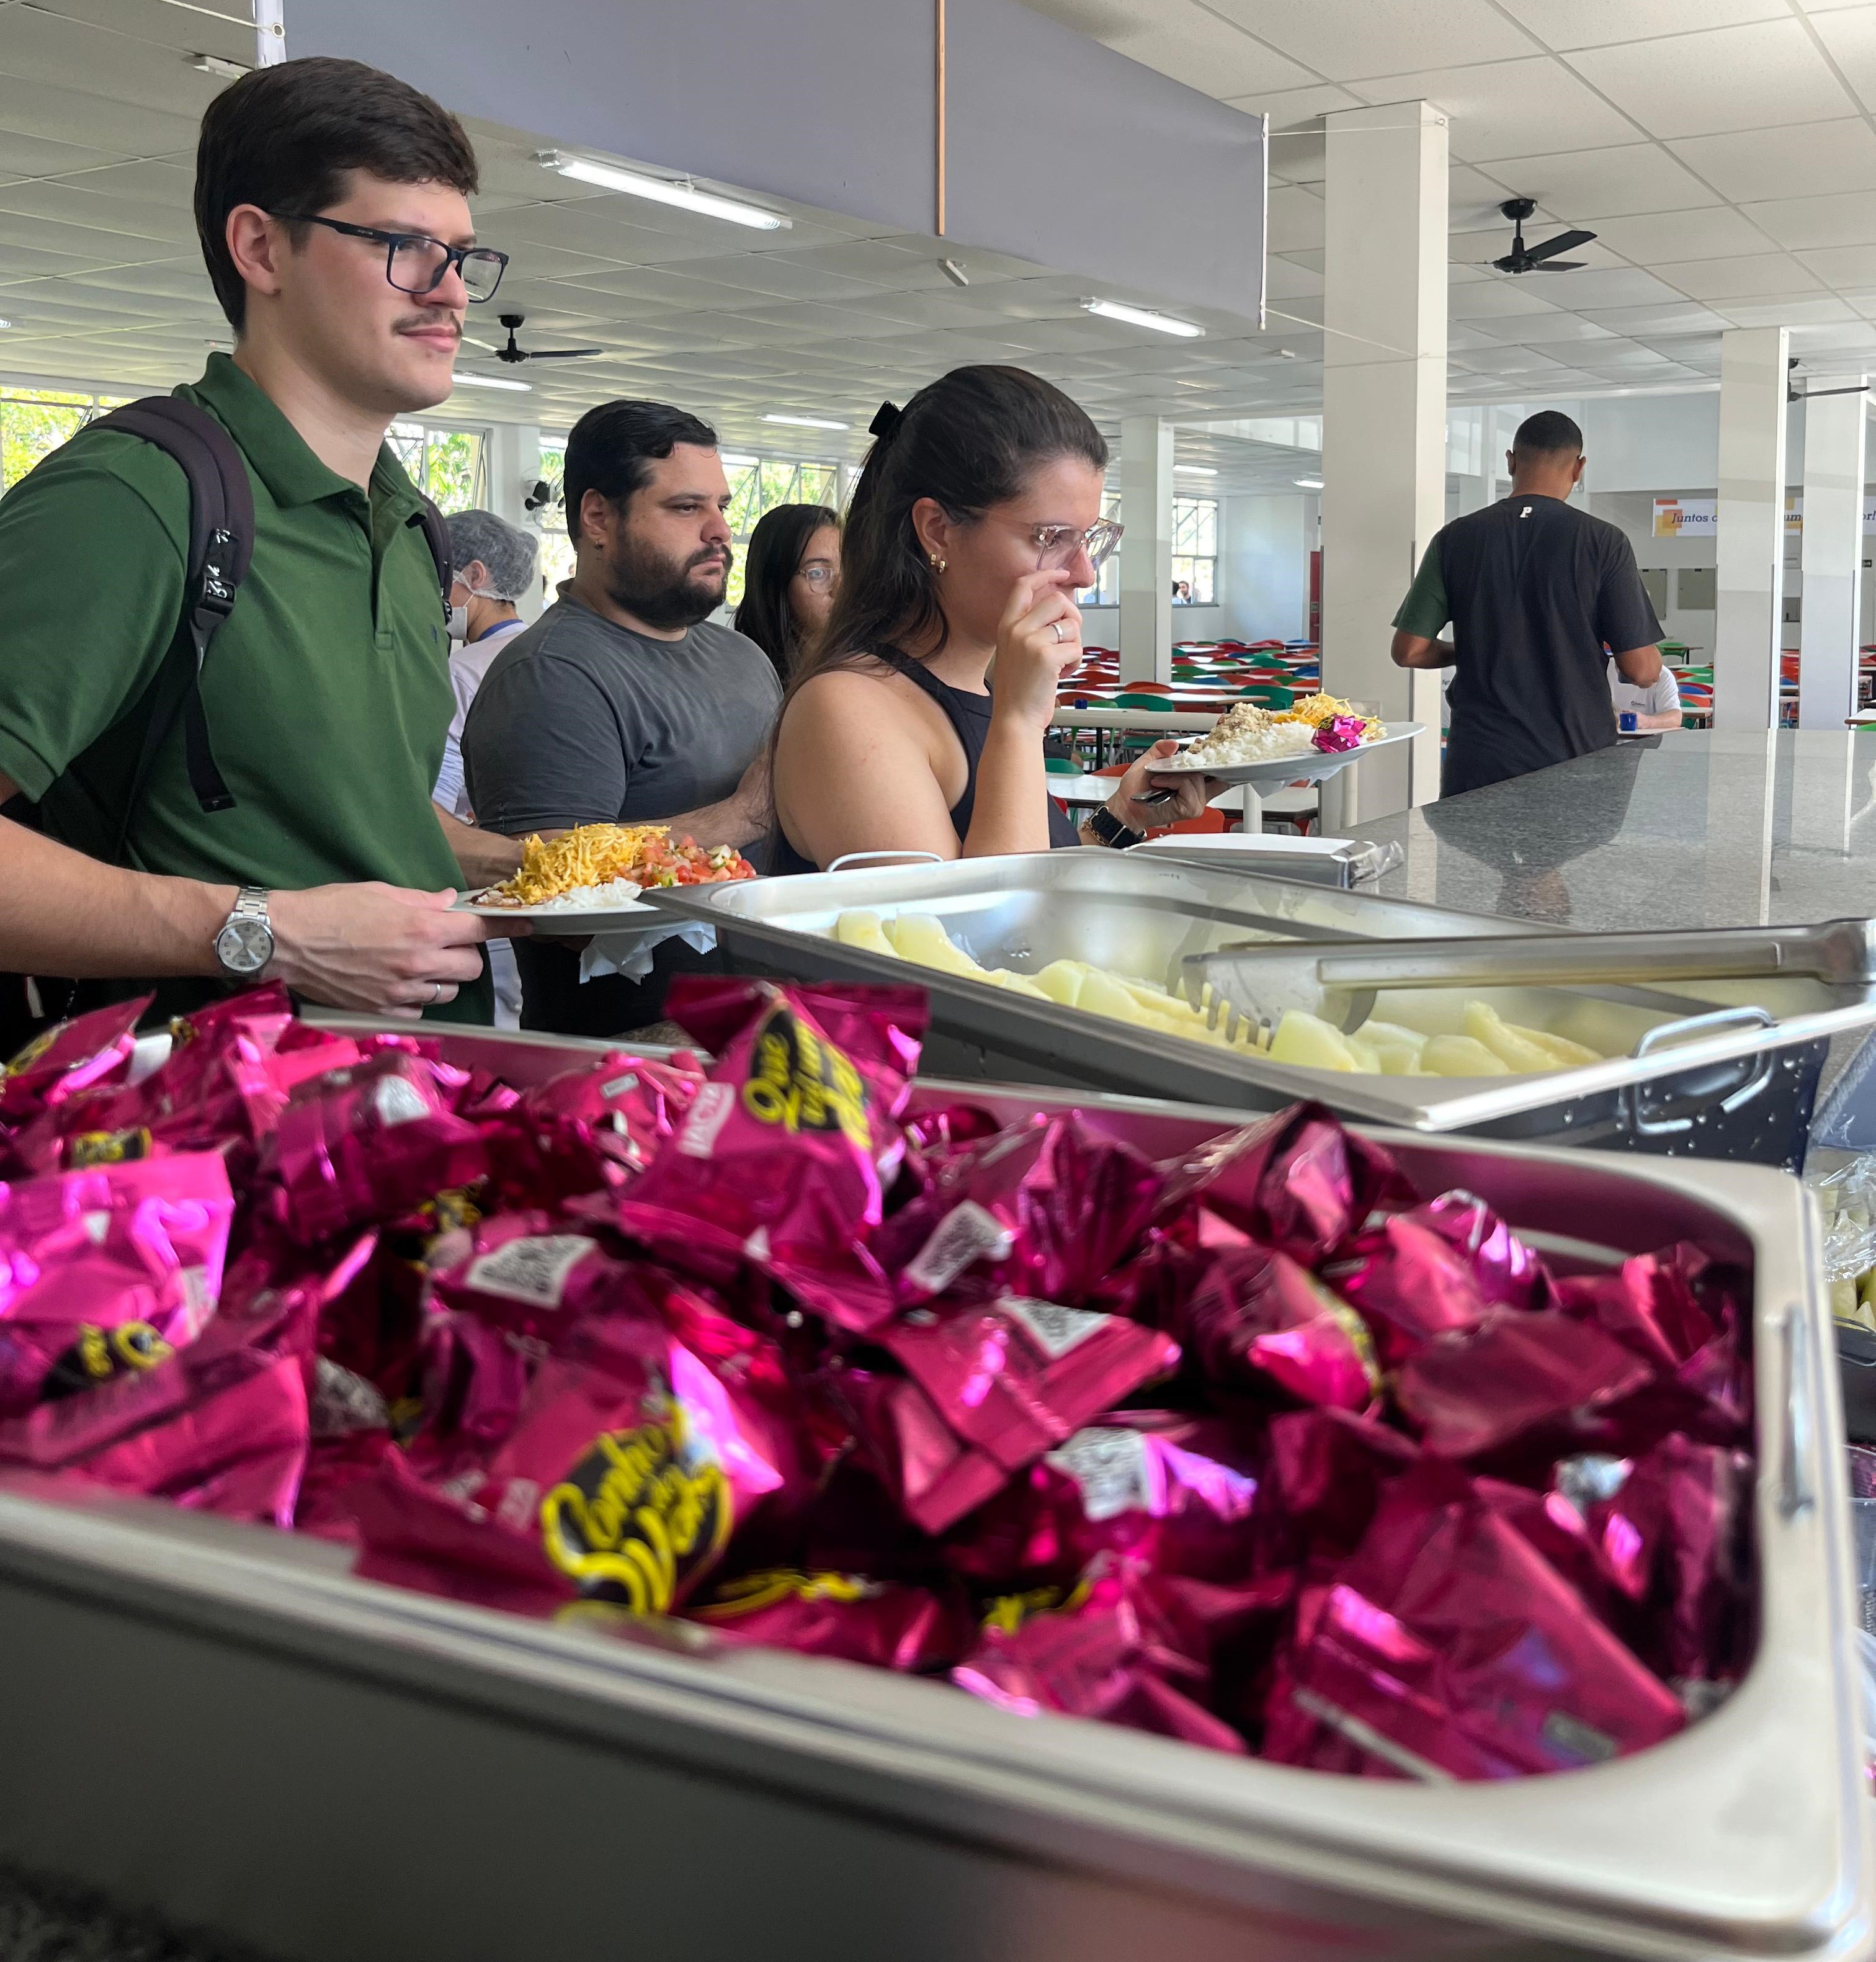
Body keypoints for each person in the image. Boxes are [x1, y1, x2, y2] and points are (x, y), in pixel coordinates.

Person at [0, 55, 519, 1032]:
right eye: (405, 247)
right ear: (261, 249)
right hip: (205, 1139)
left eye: (463, 255)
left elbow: (346, 816)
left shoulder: (409, 524)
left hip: (415, 1115)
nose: (451, 293)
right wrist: (262, 932)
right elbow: (288, 904)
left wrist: (550, 873)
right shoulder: (135, 497)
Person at [770, 365, 1218, 872]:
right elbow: (969, 935)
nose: (1084, 573)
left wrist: (1123, 816)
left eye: (1088, 538)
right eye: (1051, 538)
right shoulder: (847, 709)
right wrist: (1020, 722)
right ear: (938, 530)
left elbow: (1031, 871)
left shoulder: (977, 691)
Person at [463, 398, 777, 1036]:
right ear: (598, 517)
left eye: (723, 507)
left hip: (764, 1022)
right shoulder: (552, 675)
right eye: (687, 508)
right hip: (633, 1056)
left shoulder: (743, 656)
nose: (719, 530)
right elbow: (560, 909)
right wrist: (742, 817)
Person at [1390, 409, 1664, 798]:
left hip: (1480, 756)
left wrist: (1468, 649)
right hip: (1575, 752)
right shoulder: (1603, 541)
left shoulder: (1455, 539)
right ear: (1579, 467)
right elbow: (1641, 670)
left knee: (1477, 856)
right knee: (1569, 857)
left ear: (1511, 461)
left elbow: (1409, 651)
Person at [431, 507, 538, 1028]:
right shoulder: (547, 652)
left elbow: (439, 795)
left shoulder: (462, 669)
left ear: (475, 577)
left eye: (442, 580)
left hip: (485, 874)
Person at [733, 503, 840, 684]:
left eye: (851, 568)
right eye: (817, 573)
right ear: (775, 585)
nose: (840, 588)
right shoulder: (747, 681)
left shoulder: (870, 669)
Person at [1608, 653, 1682, 733]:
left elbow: (1676, 718)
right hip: (1605, 739)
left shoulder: (1663, 676)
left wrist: (1646, 721)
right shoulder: (1604, 669)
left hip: (1647, 741)